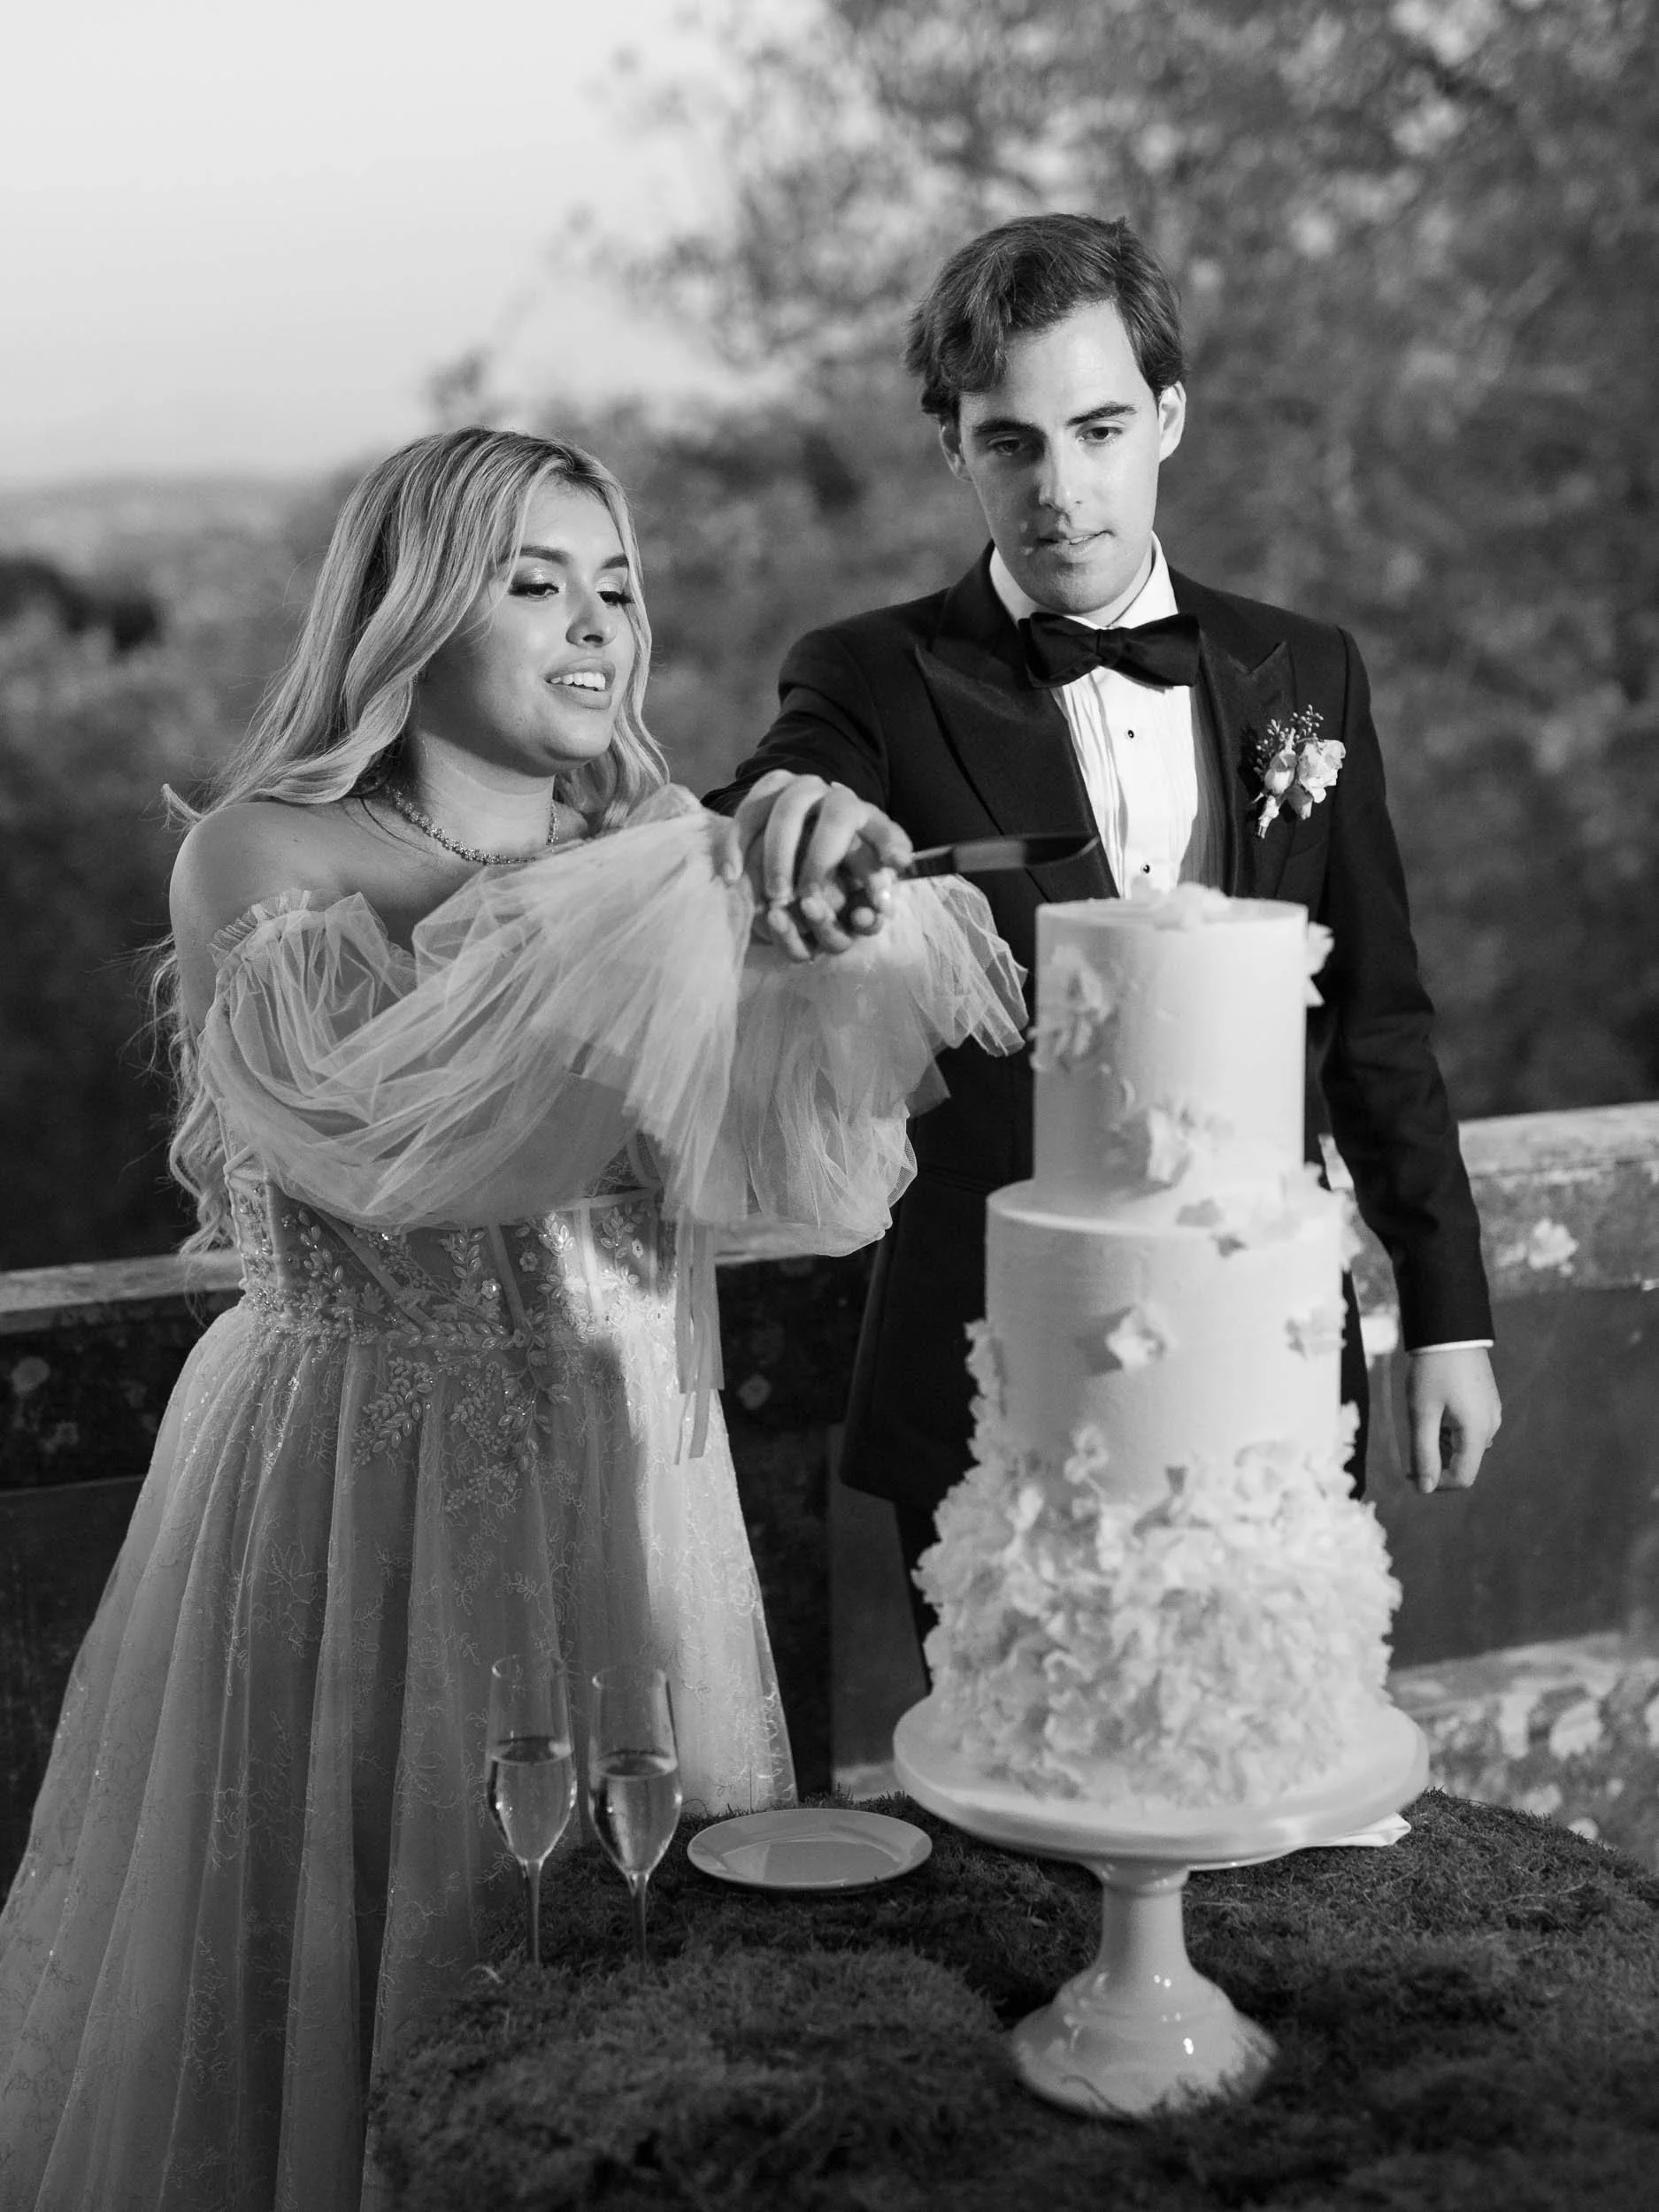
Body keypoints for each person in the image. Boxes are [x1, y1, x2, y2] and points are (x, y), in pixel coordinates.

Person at [0, 427, 1023, 2211]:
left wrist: (836, 929)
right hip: (351, 1483)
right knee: (348, 1962)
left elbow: (799, 1171)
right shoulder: (261, 852)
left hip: (632, 1479)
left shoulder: (658, 852)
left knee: (622, 1984)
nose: (595, 625)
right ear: (408, 609)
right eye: (534, 582)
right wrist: (671, 920)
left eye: (615, 584)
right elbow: (405, 1140)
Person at [708, 213, 1503, 1637]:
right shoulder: (871, 676)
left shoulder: (1304, 669)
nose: (1059, 489)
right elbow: (782, 783)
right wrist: (786, 814)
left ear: (1168, 418)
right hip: (991, 1365)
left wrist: (1445, 1312)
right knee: (1016, 1764)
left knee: (1260, 1738)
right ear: (951, 446)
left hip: (1261, 1357)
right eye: (1009, 442)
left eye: (1097, 430)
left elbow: (1375, 1022)